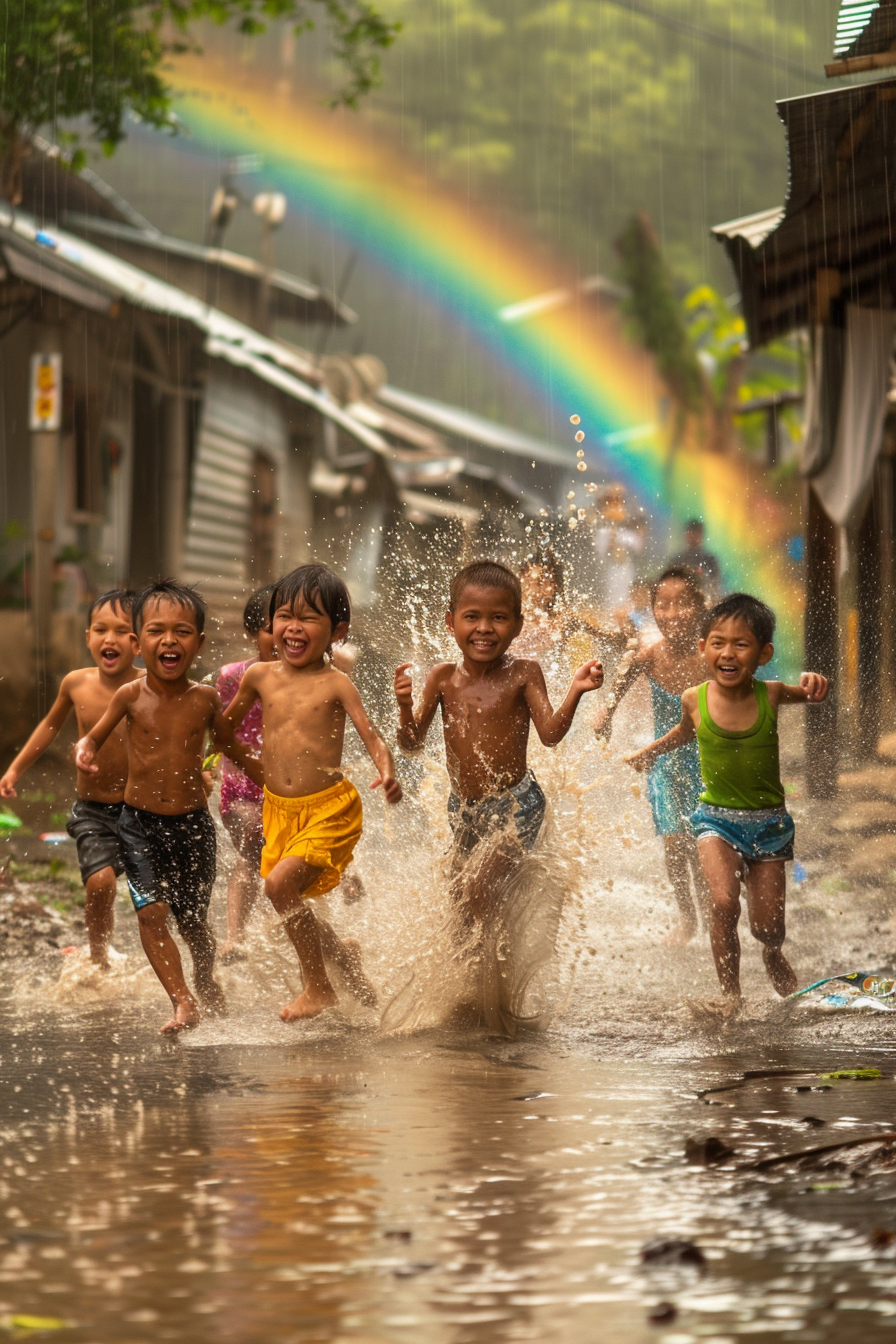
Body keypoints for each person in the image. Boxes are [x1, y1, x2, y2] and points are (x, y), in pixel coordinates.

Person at [623, 593, 828, 1007]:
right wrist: (651, 752)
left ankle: (772, 955)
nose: (728, 653)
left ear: (763, 653)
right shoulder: (693, 699)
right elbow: (684, 733)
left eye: (741, 644)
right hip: (714, 820)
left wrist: (814, 682)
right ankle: (730, 995)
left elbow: (810, 691)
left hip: (769, 824)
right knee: (722, 902)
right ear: (703, 649)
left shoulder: (770, 694)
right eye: (718, 642)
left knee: (768, 927)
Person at [75, 581, 262, 1034]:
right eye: (157, 630)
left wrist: (272, 783)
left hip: (193, 827)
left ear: (198, 643)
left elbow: (229, 745)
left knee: (194, 923)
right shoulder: (130, 696)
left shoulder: (205, 699)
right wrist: (85, 750)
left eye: (182, 631)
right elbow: (94, 736)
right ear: (139, 644)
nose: (169, 640)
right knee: (150, 912)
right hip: (137, 824)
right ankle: (182, 1001)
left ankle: (203, 975)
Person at [224, 564, 401, 1022]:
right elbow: (221, 733)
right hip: (279, 812)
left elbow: (373, 736)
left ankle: (318, 986)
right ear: (270, 624)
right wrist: (244, 767)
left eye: (309, 618)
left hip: (329, 809)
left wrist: (387, 772)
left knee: (279, 884)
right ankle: (343, 958)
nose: (293, 628)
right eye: (284, 615)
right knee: (285, 895)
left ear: (337, 630)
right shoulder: (259, 677)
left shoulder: (337, 683)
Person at [393, 560, 603, 933]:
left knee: (479, 887)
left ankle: (496, 974)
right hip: (464, 809)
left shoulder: (523, 673)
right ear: (450, 621)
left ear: (518, 624)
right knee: (458, 901)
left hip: (516, 806)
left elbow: (550, 734)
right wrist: (405, 707)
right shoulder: (442, 678)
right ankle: (472, 980)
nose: (484, 629)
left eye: (499, 618)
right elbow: (411, 745)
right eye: (472, 616)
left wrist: (576, 690)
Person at [0, 589, 139, 969]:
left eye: (122, 630)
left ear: (139, 642)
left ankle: (160, 955)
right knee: (100, 883)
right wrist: (15, 769)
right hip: (93, 809)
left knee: (153, 896)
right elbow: (49, 725)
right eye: (100, 629)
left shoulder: (148, 686)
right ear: (87, 637)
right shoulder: (76, 683)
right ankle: (99, 957)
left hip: (142, 808)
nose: (109, 639)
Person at [594, 566, 709, 944]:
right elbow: (621, 680)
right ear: (653, 609)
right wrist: (606, 714)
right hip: (663, 765)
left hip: (707, 765)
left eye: (682, 604)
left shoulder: (710, 655)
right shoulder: (650, 656)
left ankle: (712, 911)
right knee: (675, 845)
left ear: (701, 607)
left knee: (703, 845)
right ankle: (688, 916)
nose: (672, 613)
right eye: (662, 604)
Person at [214, 585, 276, 964]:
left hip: (287, 789)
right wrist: (205, 767)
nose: (282, 634)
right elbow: (213, 728)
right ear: (253, 632)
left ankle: (279, 938)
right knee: (253, 855)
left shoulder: (309, 678)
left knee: (284, 863)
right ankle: (234, 939)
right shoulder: (233, 676)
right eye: (270, 626)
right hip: (242, 790)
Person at [668, 519, 721, 598]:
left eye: (696, 533)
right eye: (691, 533)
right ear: (686, 534)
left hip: (703, 598)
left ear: (701, 535)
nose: (694, 537)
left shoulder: (710, 560)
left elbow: (714, 586)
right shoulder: (677, 560)